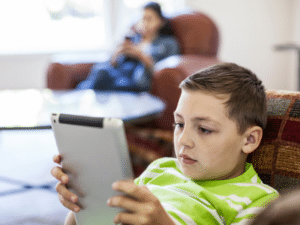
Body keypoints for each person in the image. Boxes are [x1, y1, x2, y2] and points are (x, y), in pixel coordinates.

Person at [51, 63, 279, 224]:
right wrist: (83, 201)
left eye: (204, 129)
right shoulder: (160, 168)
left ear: (249, 139)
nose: (183, 141)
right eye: (180, 124)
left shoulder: (258, 199)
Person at [76, 2, 179, 92]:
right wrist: (118, 52)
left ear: (161, 21)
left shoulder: (168, 43)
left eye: (149, 19)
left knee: (100, 77)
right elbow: (113, 63)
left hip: (135, 80)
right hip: (118, 74)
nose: (145, 23)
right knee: (98, 72)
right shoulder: (134, 40)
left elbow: (162, 71)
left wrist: (139, 54)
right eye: (143, 19)